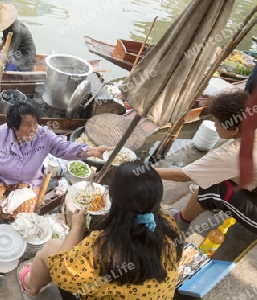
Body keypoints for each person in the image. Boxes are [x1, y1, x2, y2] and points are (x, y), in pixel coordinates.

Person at [18, 161, 183, 299]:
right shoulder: (168, 224)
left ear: (111, 199)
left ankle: (31, 287)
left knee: (52, 247)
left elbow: (62, 271)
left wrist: (76, 228)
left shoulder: (103, 247)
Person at [0, 101, 108, 219]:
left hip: (28, 181)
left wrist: (93, 151)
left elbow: (65, 148)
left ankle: (3, 208)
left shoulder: (44, 136)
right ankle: (0, 206)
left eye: (35, 124)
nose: (33, 129)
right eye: (28, 125)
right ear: (14, 127)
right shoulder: (0, 135)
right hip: (1, 177)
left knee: (28, 209)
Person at [156, 90, 257, 233]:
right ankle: (209, 205)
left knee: (213, 186)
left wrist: (146, 170)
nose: (214, 126)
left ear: (234, 129)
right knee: (213, 174)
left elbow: (183, 175)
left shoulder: (232, 153)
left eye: (217, 123)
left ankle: (180, 223)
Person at [0, 3, 37, 71]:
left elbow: (10, 52)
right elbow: (6, 39)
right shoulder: (7, 25)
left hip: (24, 59)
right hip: (15, 52)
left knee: (5, 71)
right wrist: (0, 45)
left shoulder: (16, 31)